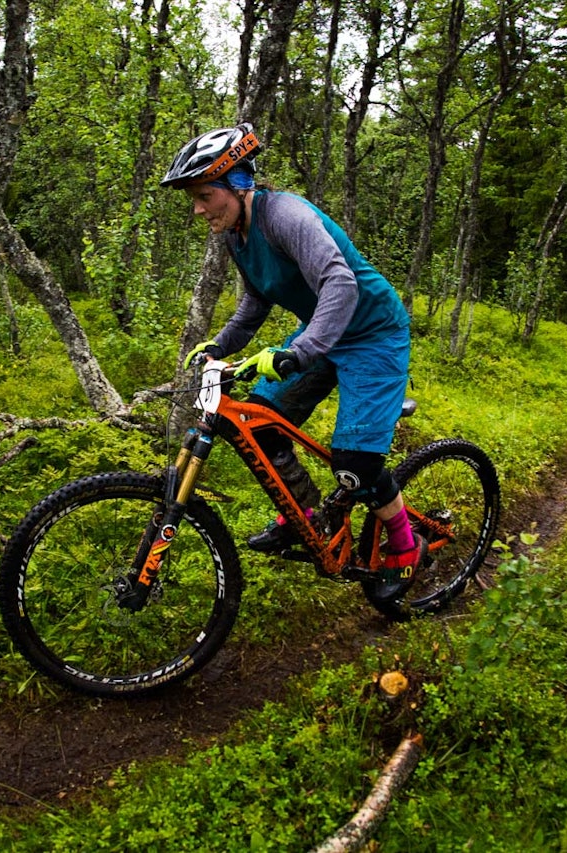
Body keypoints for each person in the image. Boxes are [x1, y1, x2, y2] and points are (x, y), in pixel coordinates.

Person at [161, 122, 423, 603]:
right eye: (194, 199)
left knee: (356, 463)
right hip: (321, 330)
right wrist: (218, 345)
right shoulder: (235, 234)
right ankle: (306, 520)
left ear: (236, 184)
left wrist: (298, 353)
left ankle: (406, 547)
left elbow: (340, 284)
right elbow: (256, 302)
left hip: (371, 333)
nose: (198, 209)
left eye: (203, 195)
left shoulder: (285, 216)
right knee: (264, 425)